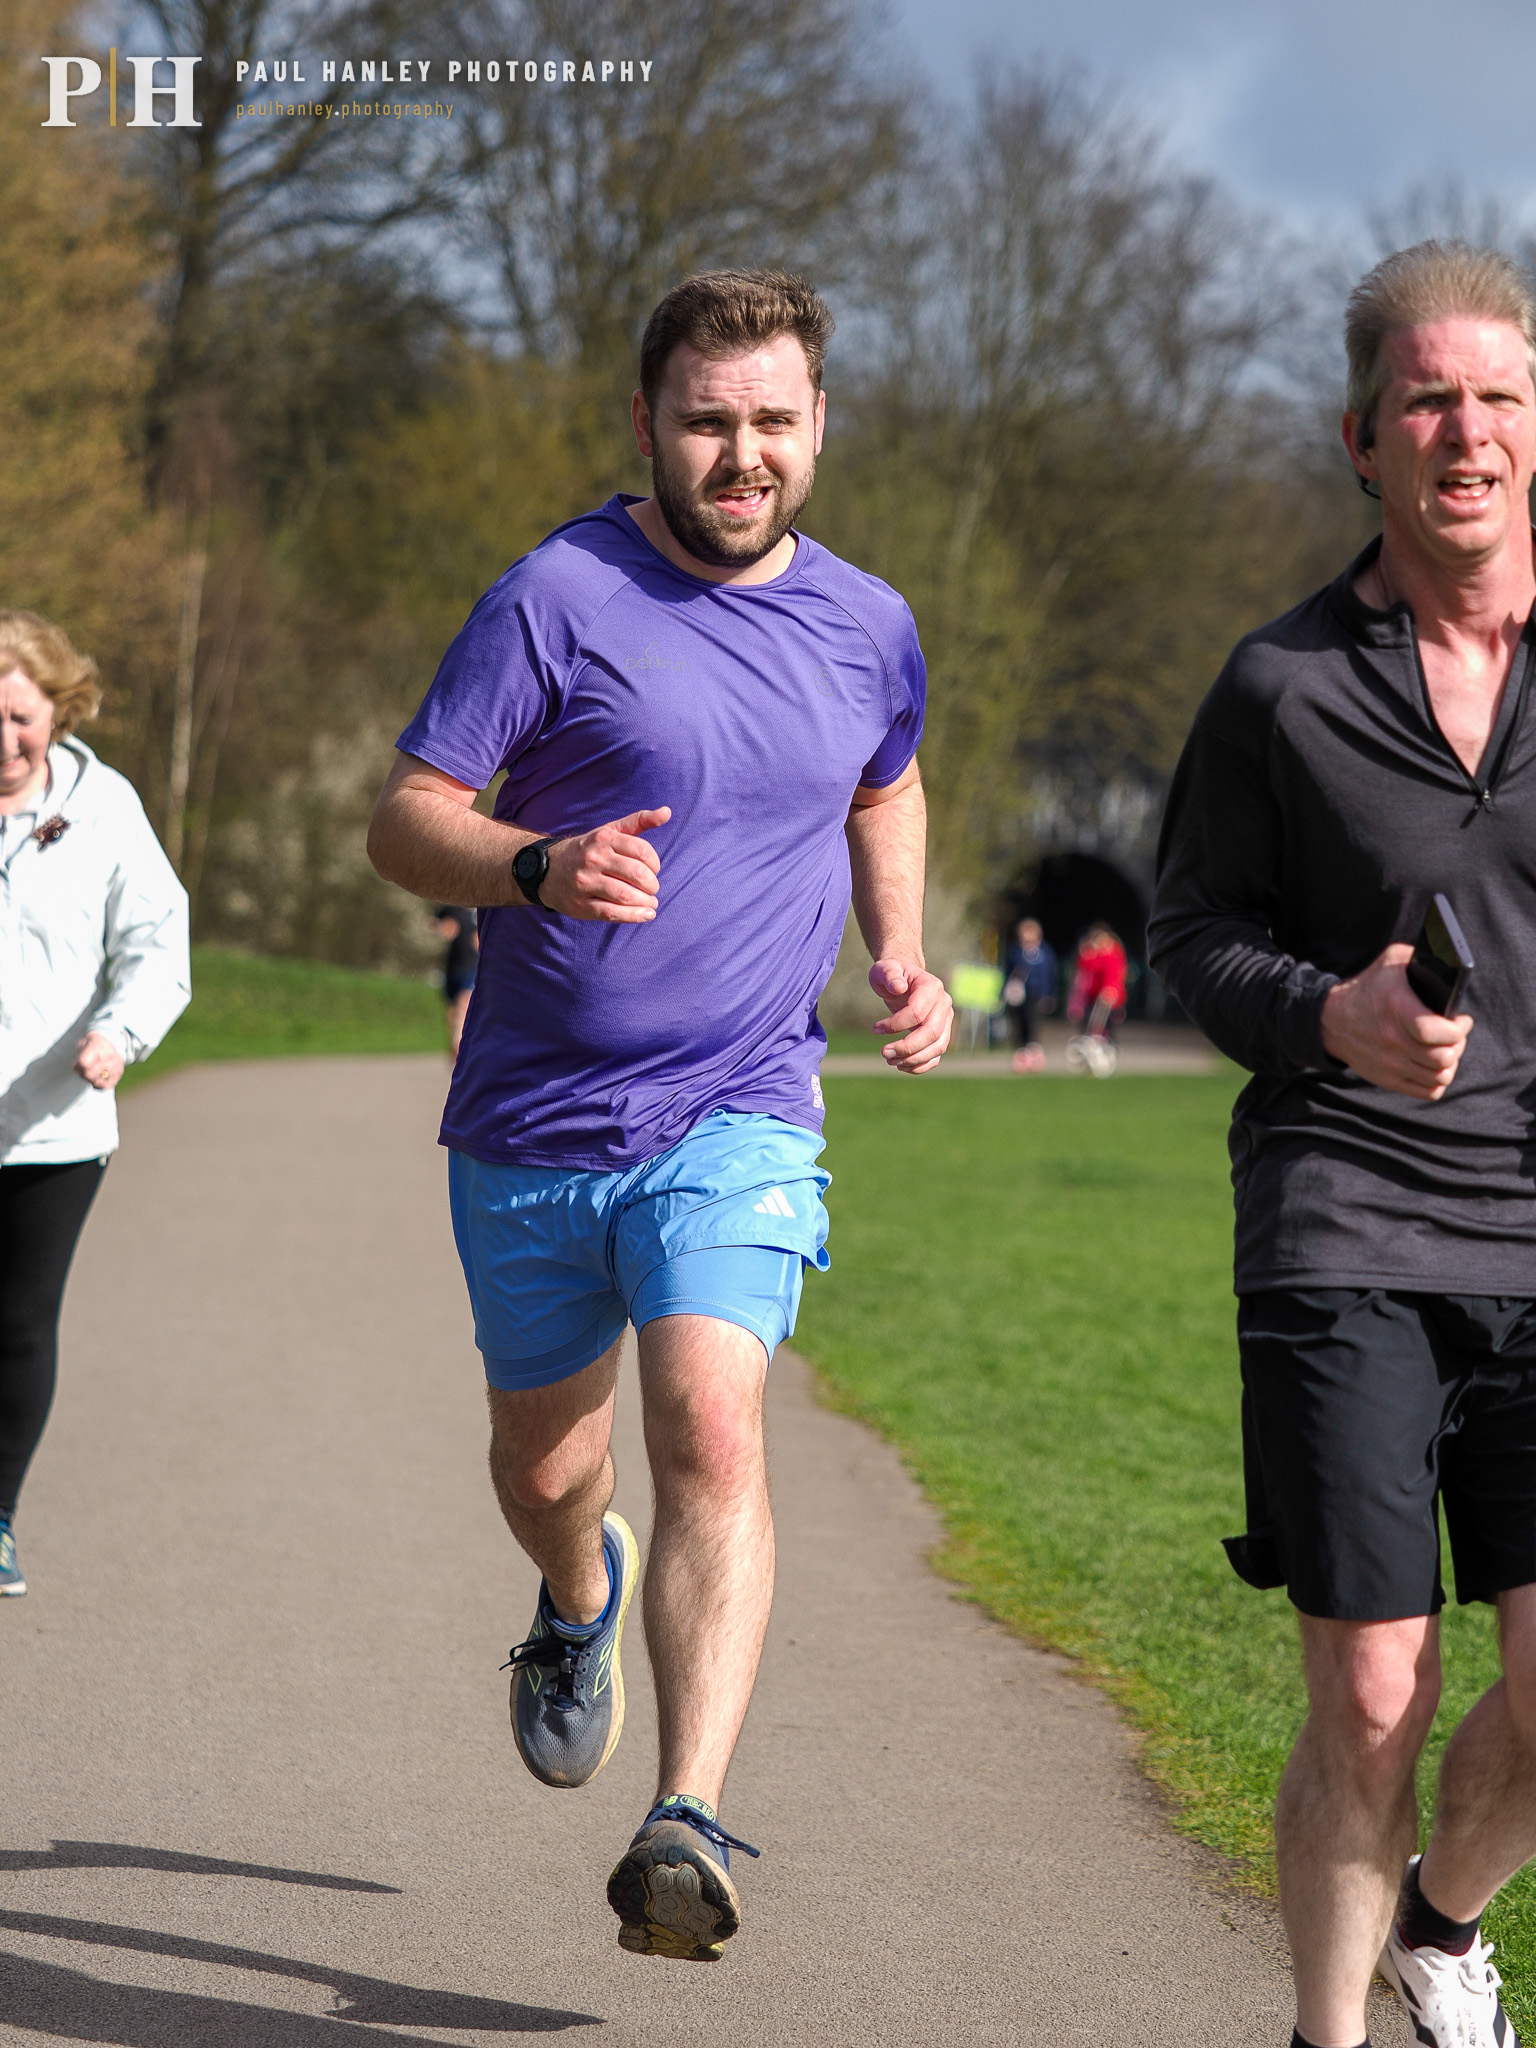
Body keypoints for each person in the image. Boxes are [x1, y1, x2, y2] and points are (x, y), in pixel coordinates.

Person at [367, 268, 952, 1963]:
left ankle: (685, 1810)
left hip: (742, 1105)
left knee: (711, 1420)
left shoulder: (870, 621)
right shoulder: (554, 594)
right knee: (550, 1465)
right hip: (536, 1123)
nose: (744, 451)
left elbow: (887, 772)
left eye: (775, 419)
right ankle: (573, 1596)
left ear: (819, 423)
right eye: (710, 418)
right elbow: (407, 818)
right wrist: (533, 867)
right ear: (650, 423)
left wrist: (899, 945)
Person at [1149, 240, 1536, 2048]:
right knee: (1375, 1691)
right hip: (1343, 1221)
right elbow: (1192, 939)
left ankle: (1444, 1924)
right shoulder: (1281, 687)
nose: (1467, 430)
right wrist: (1333, 1015)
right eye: (1430, 398)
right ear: (1362, 434)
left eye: (1500, 396)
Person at [0, 610, 190, 1598]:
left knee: (20, 1322)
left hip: (52, 1123)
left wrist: (120, 1033)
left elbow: (158, 943)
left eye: (19, 717)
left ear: (56, 708)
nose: (4, 740)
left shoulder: (103, 805)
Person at [1065, 923, 1126, 1077]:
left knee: (1104, 1027)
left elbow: (1114, 974)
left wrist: (1111, 990)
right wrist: (1086, 953)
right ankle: (1095, 1057)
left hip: (1108, 997)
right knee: (1094, 1027)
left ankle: (1108, 1057)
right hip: (1095, 997)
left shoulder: (1113, 953)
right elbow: (1086, 967)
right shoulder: (1097, 954)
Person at [1002, 916, 1057, 1072]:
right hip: (1019, 995)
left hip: (1037, 994)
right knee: (1020, 1023)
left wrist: (1049, 994)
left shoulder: (1044, 953)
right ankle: (1021, 1053)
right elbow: (1007, 973)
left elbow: (1050, 974)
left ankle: (1034, 1052)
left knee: (1033, 1023)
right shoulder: (1015, 953)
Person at [430, 905, 478, 1057]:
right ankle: (454, 1043)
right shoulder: (451, 908)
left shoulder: (484, 908)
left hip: (473, 966)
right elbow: (432, 923)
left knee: (463, 1002)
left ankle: (459, 1045)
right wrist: (442, 928)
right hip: (453, 966)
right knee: (452, 1010)